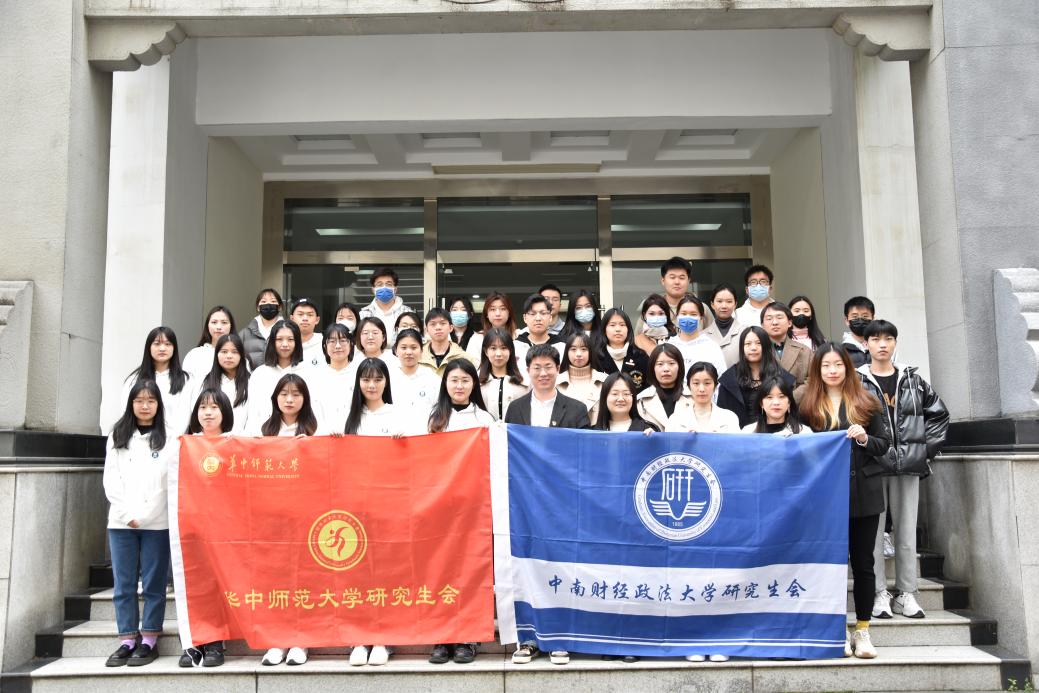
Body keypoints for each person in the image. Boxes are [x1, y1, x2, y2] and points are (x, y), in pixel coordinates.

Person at [800, 343, 891, 659]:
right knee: (831, 565)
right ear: (818, 370)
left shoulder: (866, 401)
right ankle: (836, 628)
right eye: (826, 365)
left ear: (847, 368)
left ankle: (862, 629)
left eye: (838, 365)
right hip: (825, 498)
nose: (832, 370)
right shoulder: (808, 405)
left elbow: (883, 444)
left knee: (864, 564)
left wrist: (864, 438)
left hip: (864, 495)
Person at [858, 320, 949, 621]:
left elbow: (939, 416)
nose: (882, 344)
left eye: (888, 339)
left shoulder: (913, 380)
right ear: (866, 344)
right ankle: (879, 593)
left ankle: (907, 593)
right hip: (873, 466)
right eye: (875, 339)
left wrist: (923, 451)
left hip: (908, 468)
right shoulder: (857, 381)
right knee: (872, 536)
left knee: (906, 534)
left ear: (895, 343)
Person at [507, 344, 588, 666]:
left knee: (560, 567)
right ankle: (528, 639)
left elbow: (583, 456)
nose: (543, 373)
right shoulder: (515, 409)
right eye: (536, 368)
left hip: (563, 504)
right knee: (527, 568)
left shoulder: (576, 409)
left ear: (559, 369)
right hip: (525, 504)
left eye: (548, 367)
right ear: (527, 371)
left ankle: (559, 638)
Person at [103, 380, 178, 668]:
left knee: (154, 584)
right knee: (123, 585)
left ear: (158, 404)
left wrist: (144, 516)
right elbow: (111, 479)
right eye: (139, 401)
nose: (145, 406)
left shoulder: (169, 438)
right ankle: (127, 640)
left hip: (156, 523)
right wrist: (126, 515)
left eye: (150, 401)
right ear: (131, 403)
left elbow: (166, 483)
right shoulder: (118, 435)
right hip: (120, 523)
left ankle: (149, 640)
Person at [343, 357, 412, 667]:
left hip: (389, 508)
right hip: (354, 509)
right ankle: (359, 637)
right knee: (357, 574)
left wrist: (404, 441)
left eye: (377, 379)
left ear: (387, 382)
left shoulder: (399, 415)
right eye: (366, 379)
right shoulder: (347, 417)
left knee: (387, 573)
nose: (371, 385)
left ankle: (385, 637)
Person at [426, 359, 494, 665]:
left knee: (471, 569)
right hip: (438, 506)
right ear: (445, 384)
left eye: (466, 380)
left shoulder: (485, 419)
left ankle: (468, 636)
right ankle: (441, 635)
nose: (459, 386)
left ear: (474, 385)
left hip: (473, 507)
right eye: (454, 380)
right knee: (438, 569)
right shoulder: (432, 417)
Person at [255, 374, 321, 667]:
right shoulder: (264, 430)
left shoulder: (316, 429)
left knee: (304, 579)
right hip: (272, 518)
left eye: (296, 394)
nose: (290, 400)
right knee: (276, 579)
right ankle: (277, 639)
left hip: (307, 516)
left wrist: (317, 445)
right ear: (275, 398)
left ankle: (301, 640)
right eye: (284, 394)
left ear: (305, 399)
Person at [179, 388, 232, 668]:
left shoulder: (236, 443)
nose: (208, 413)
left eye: (214, 407)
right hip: (192, 526)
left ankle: (215, 642)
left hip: (225, 529)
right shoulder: (184, 445)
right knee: (194, 583)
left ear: (225, 412)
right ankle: (192, 641)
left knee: (218, 584)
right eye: (202, 407)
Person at [107, 327, 193, 435]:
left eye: (167, 344)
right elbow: (126, 413)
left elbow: (184, 416)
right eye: (157, 344)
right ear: (149, 347)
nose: (162, 348)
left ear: (174, 348)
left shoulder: (186, 380)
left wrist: (169, 439)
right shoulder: (133, 380)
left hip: (173, 440)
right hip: (138, 439)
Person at [716, 326, 794, 429]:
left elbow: (791, 412)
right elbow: (722, 415)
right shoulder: (729, 379)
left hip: (776, 433)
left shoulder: (781, 376)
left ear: (766, 346)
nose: (753, 348)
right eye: (748, 344)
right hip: (738, 434)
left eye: (758, 343)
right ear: (742, 348)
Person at [246, 320, 315, 428]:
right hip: (265, 433)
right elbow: (253, 411)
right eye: (279, 339)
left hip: (300, 433)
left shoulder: (309, 372)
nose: (285, 344)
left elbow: (314, 408)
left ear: (297, 342)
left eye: (290, 339)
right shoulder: (260, 374)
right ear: (272, 342)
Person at [665, 362, 741, 433]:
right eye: (696, 383)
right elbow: (669, 442)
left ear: (715, 386)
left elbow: (735, 442)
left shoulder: (729, 418)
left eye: (707, 383)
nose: (701, 389)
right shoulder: (675, 420)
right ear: (688, 386)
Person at [311, 323, 357, 433]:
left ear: (351, 344)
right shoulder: (316, 376)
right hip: (322, 436)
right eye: (332, 341)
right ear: (324, 346)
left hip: (353, 435)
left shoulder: (360, 374)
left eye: (343, 341)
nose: (338, 346)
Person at [201, 333, 251, 434]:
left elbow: (256, 417)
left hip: (243, 439)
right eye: (224, 351)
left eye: (234, 352)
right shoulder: (206, 381)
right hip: (213, 440)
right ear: (217, 354)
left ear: (241, 355)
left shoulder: (252, 382)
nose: (229, 356)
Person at [478, 328, 530, 421]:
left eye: (503, 348)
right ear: (486, 351)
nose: (498, 354)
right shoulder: (475, 381)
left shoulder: (525, 381)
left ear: (511, 350)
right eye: (493, 348)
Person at [667, 296, 727, 377]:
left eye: (693, 314)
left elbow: (721, 377)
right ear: (677, 316)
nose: (688, 318)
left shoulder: (711, 347)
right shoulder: (669, 345)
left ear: (701, 318)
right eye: (683, 314)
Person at [556, 332, 607, 425]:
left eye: (584, 349)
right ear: (567, 352)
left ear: (590, 352)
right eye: (573, 349)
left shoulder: (605, 381)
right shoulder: (556, 382)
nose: (578, 354)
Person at [636, 344, 690, 431]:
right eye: (660, 364)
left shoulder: (694, 396)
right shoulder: (641, 400)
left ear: (680, 366)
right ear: (652, 368)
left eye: (671, 363)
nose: (666, 369)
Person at [595, 308, 650, 392]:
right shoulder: (596, 358)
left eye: (622, 325)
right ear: (604, 330)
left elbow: (649, 388)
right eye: (612, 325)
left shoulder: (641, 356)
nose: (618, 329)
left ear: (628, 329)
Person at [390, 328, 440, 419]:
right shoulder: (388, 377)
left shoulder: (432, 378)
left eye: (414, 348)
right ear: (396, 351)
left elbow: (440, 408)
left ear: (421, 351)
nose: (409, 352)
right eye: (403, 348)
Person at [358, 266, 413, 345]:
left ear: (395, 289)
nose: (384, 288)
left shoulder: (407, 313)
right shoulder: (364, 314)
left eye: (388, 284)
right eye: (379, 284)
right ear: (373, 290)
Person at [761, 303, 811, 387]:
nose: (775, 322)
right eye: (769, 318)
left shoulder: (805, 351)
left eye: (779, 317)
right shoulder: (757, 351)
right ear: (762, 325)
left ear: (789, 323)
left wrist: (792, 395)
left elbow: (812, 380)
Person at [182, 306, 237, 381]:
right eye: (214, 322)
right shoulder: (195, 355)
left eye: (224, 322)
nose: (219, 327)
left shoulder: (241, 355)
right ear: (207, 326)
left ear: (231, 326)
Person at [466, 292, 524, 363]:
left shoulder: (520, 336)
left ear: (509, 313)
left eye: (503, 309)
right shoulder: (477, 339)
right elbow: (471, 366)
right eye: (493, 309)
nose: (498, 314)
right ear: (487, 314)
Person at [592, 372, 658, 434]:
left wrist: (654, 438)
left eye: (626, 394)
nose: (621, 399)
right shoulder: (592, 433)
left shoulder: (648, 430)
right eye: (615, 394)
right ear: (604, 397)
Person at [742, 376, 809, 436]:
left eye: (781, 397)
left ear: (789, 402)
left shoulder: (804, 433)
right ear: (761, 403)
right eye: (769, 397)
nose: (776, 402)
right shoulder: (747, 433)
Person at [420, 307, 477, 376]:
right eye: (433, 324)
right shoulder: (418, 357)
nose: (438, 327)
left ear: (451, 328)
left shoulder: (464, 358)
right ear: (426, 330)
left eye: (442, 323)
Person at [702, 283, 744, 368]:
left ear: (735, 304)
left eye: (729, 301)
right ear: (712, 304)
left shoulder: (745, 332)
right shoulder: (702, 336)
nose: (724, 306)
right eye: (719, 301)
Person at [240, 288, 284, 369]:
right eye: (263, 301)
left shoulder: (288, 331)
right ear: (258, 307)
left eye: (273, 301)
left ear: (280, 307)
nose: (268, 304)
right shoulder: (245, 333)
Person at [842, 296, 876, 367]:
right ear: (846, 320)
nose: (860, 320)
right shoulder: (841, 350)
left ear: (873, 319)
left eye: (865, 316)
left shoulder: (882, 346)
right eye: (855, 317)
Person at [290, 298, 324, 368]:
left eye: (310, 315)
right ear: (292, 319)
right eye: (300, 314)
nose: (305, 318)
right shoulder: (284, 343)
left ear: (317, 320)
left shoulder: (325, 343)